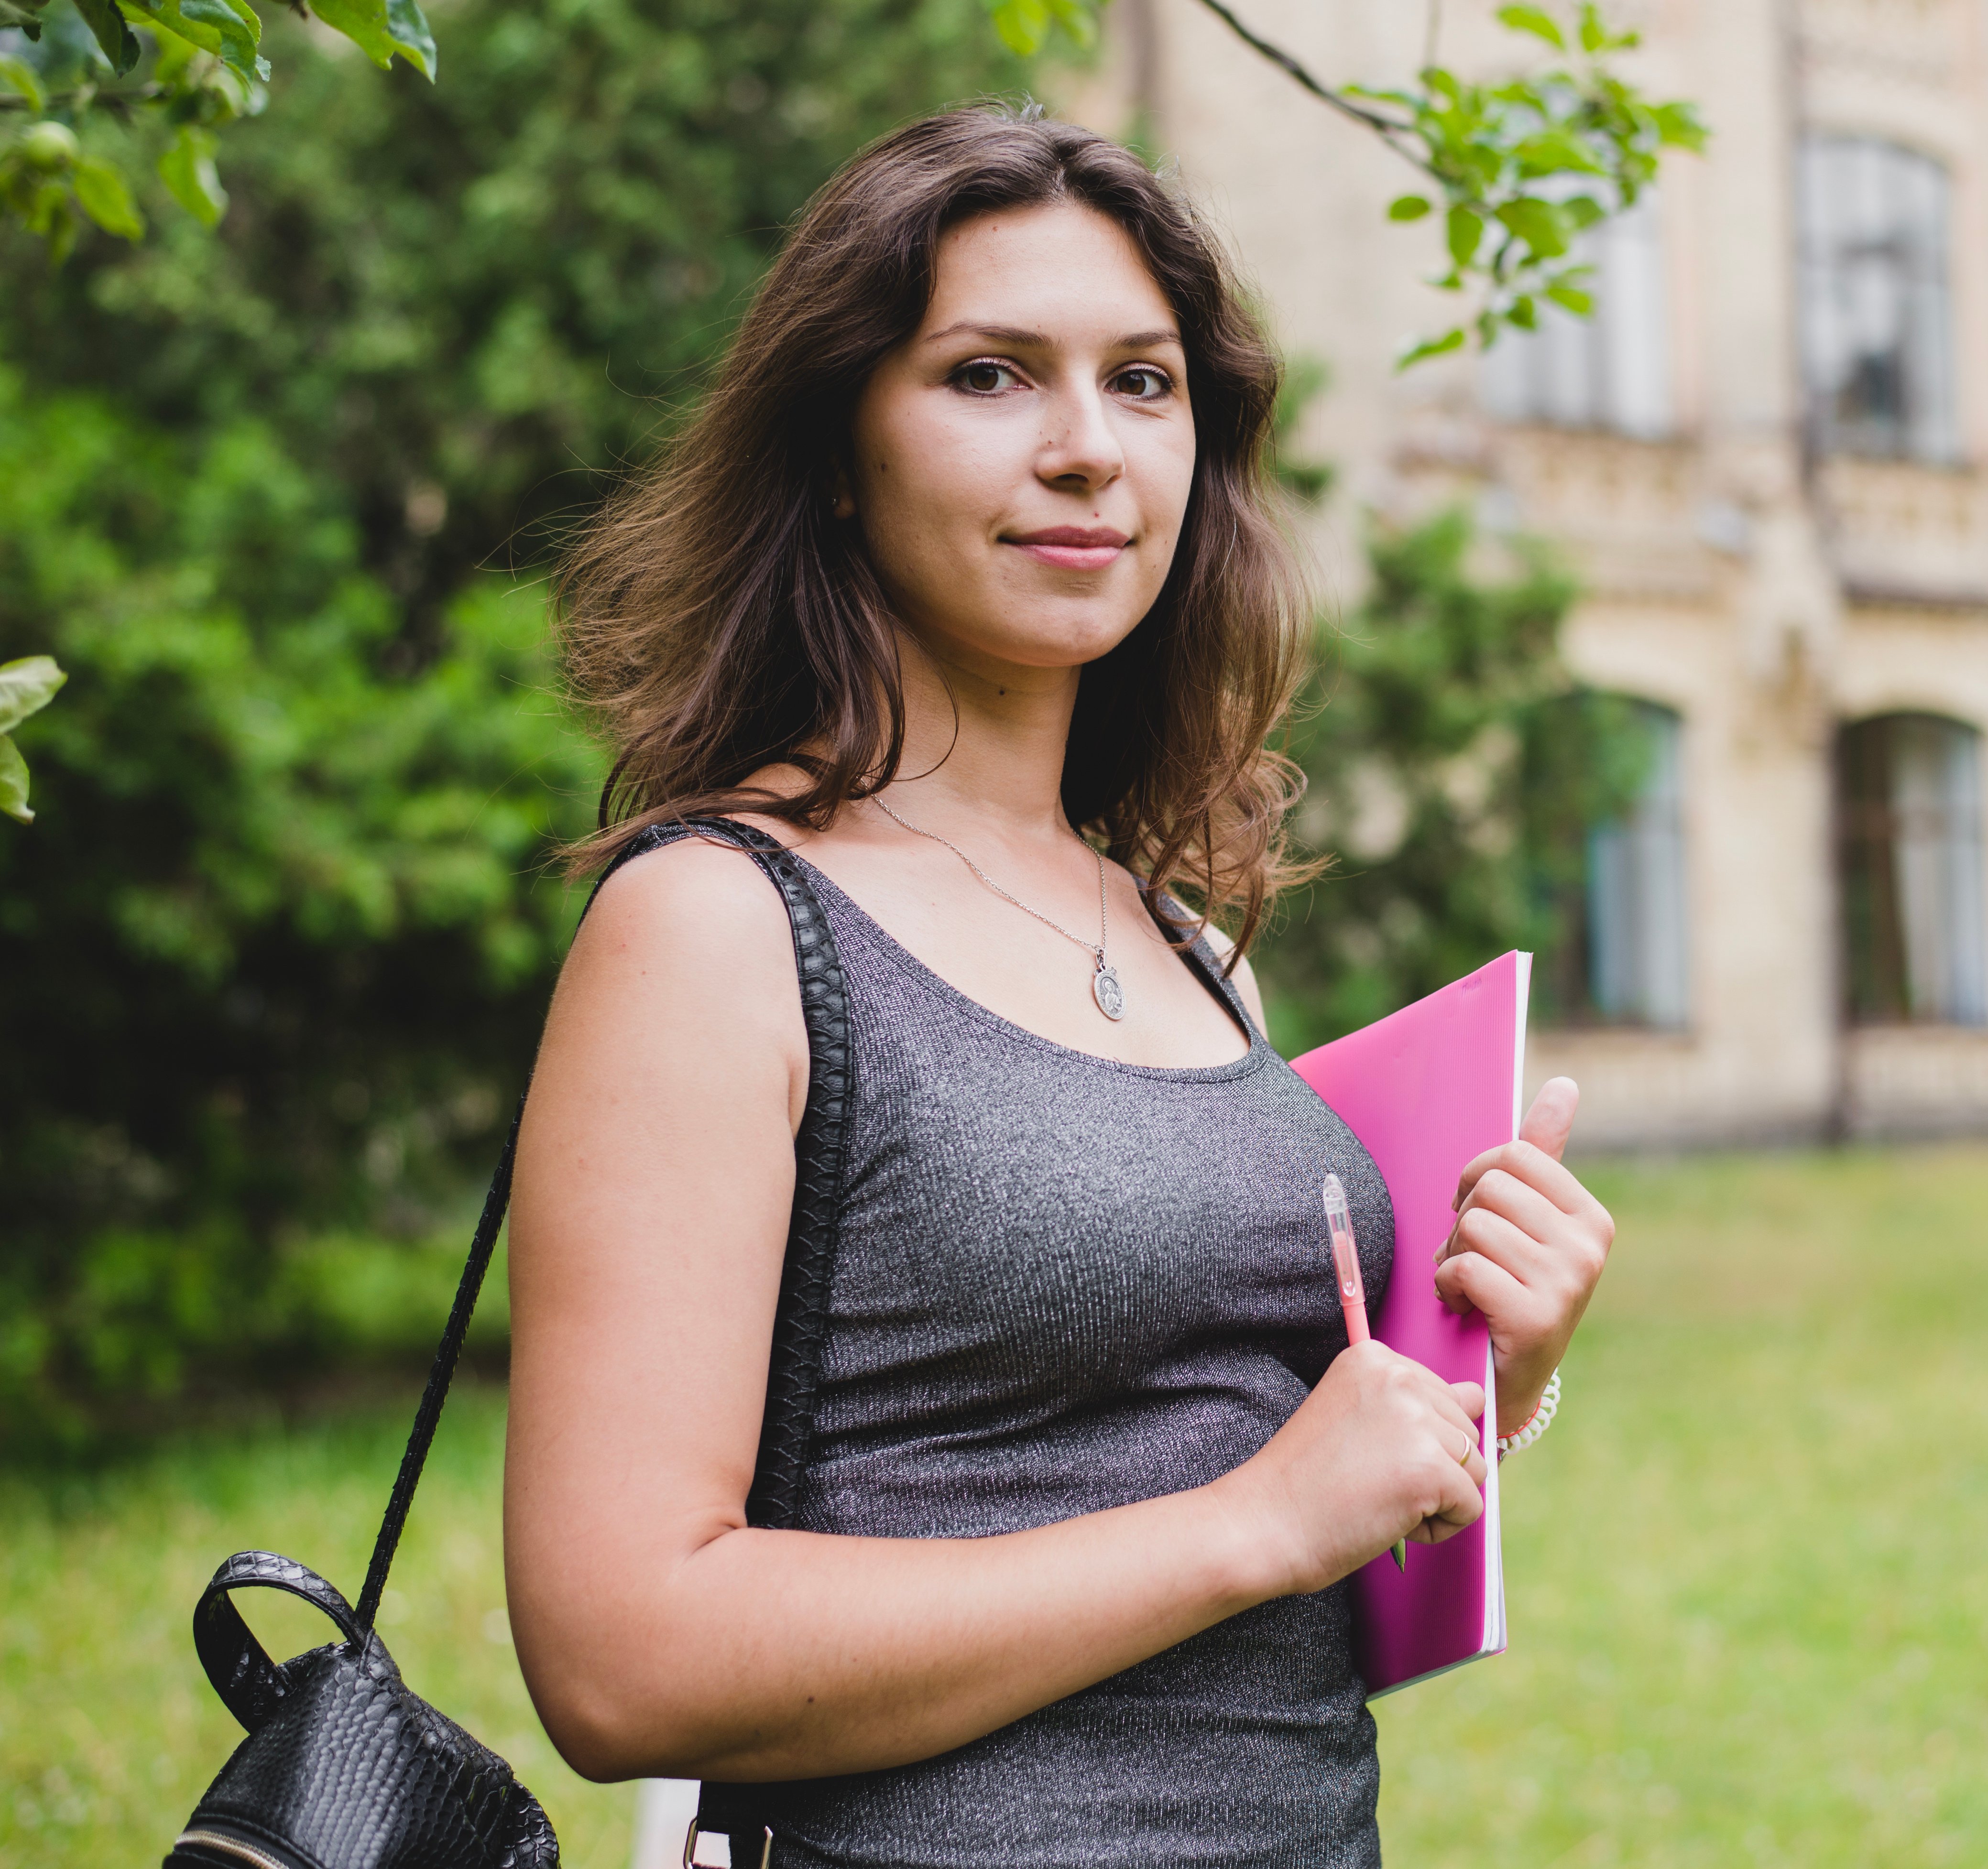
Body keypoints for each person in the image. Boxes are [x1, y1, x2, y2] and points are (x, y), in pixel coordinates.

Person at [502, 106, 1617, 1868]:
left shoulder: (1171, 930)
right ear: (841, 452)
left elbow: (1274, 1500)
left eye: (1144, 384)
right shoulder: (721, 925)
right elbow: (623, 1660)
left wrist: (1494, 1364)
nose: (1090, 451)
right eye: (991, 376)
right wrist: (1253, 1524)